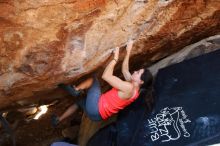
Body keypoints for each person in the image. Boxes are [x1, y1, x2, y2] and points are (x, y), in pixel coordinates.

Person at [51, 39, 153, 126]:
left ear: (141, 81)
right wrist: (128, 51)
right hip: (97, 116)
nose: (135, 71)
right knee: (79, 102)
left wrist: (115, 58)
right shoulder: (135, 90)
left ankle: (76, 89)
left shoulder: (128, 88)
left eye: (138, 72)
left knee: (93, 80)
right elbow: (125, 70)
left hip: (96, 108)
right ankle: (58, 120)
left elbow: (106, 76)